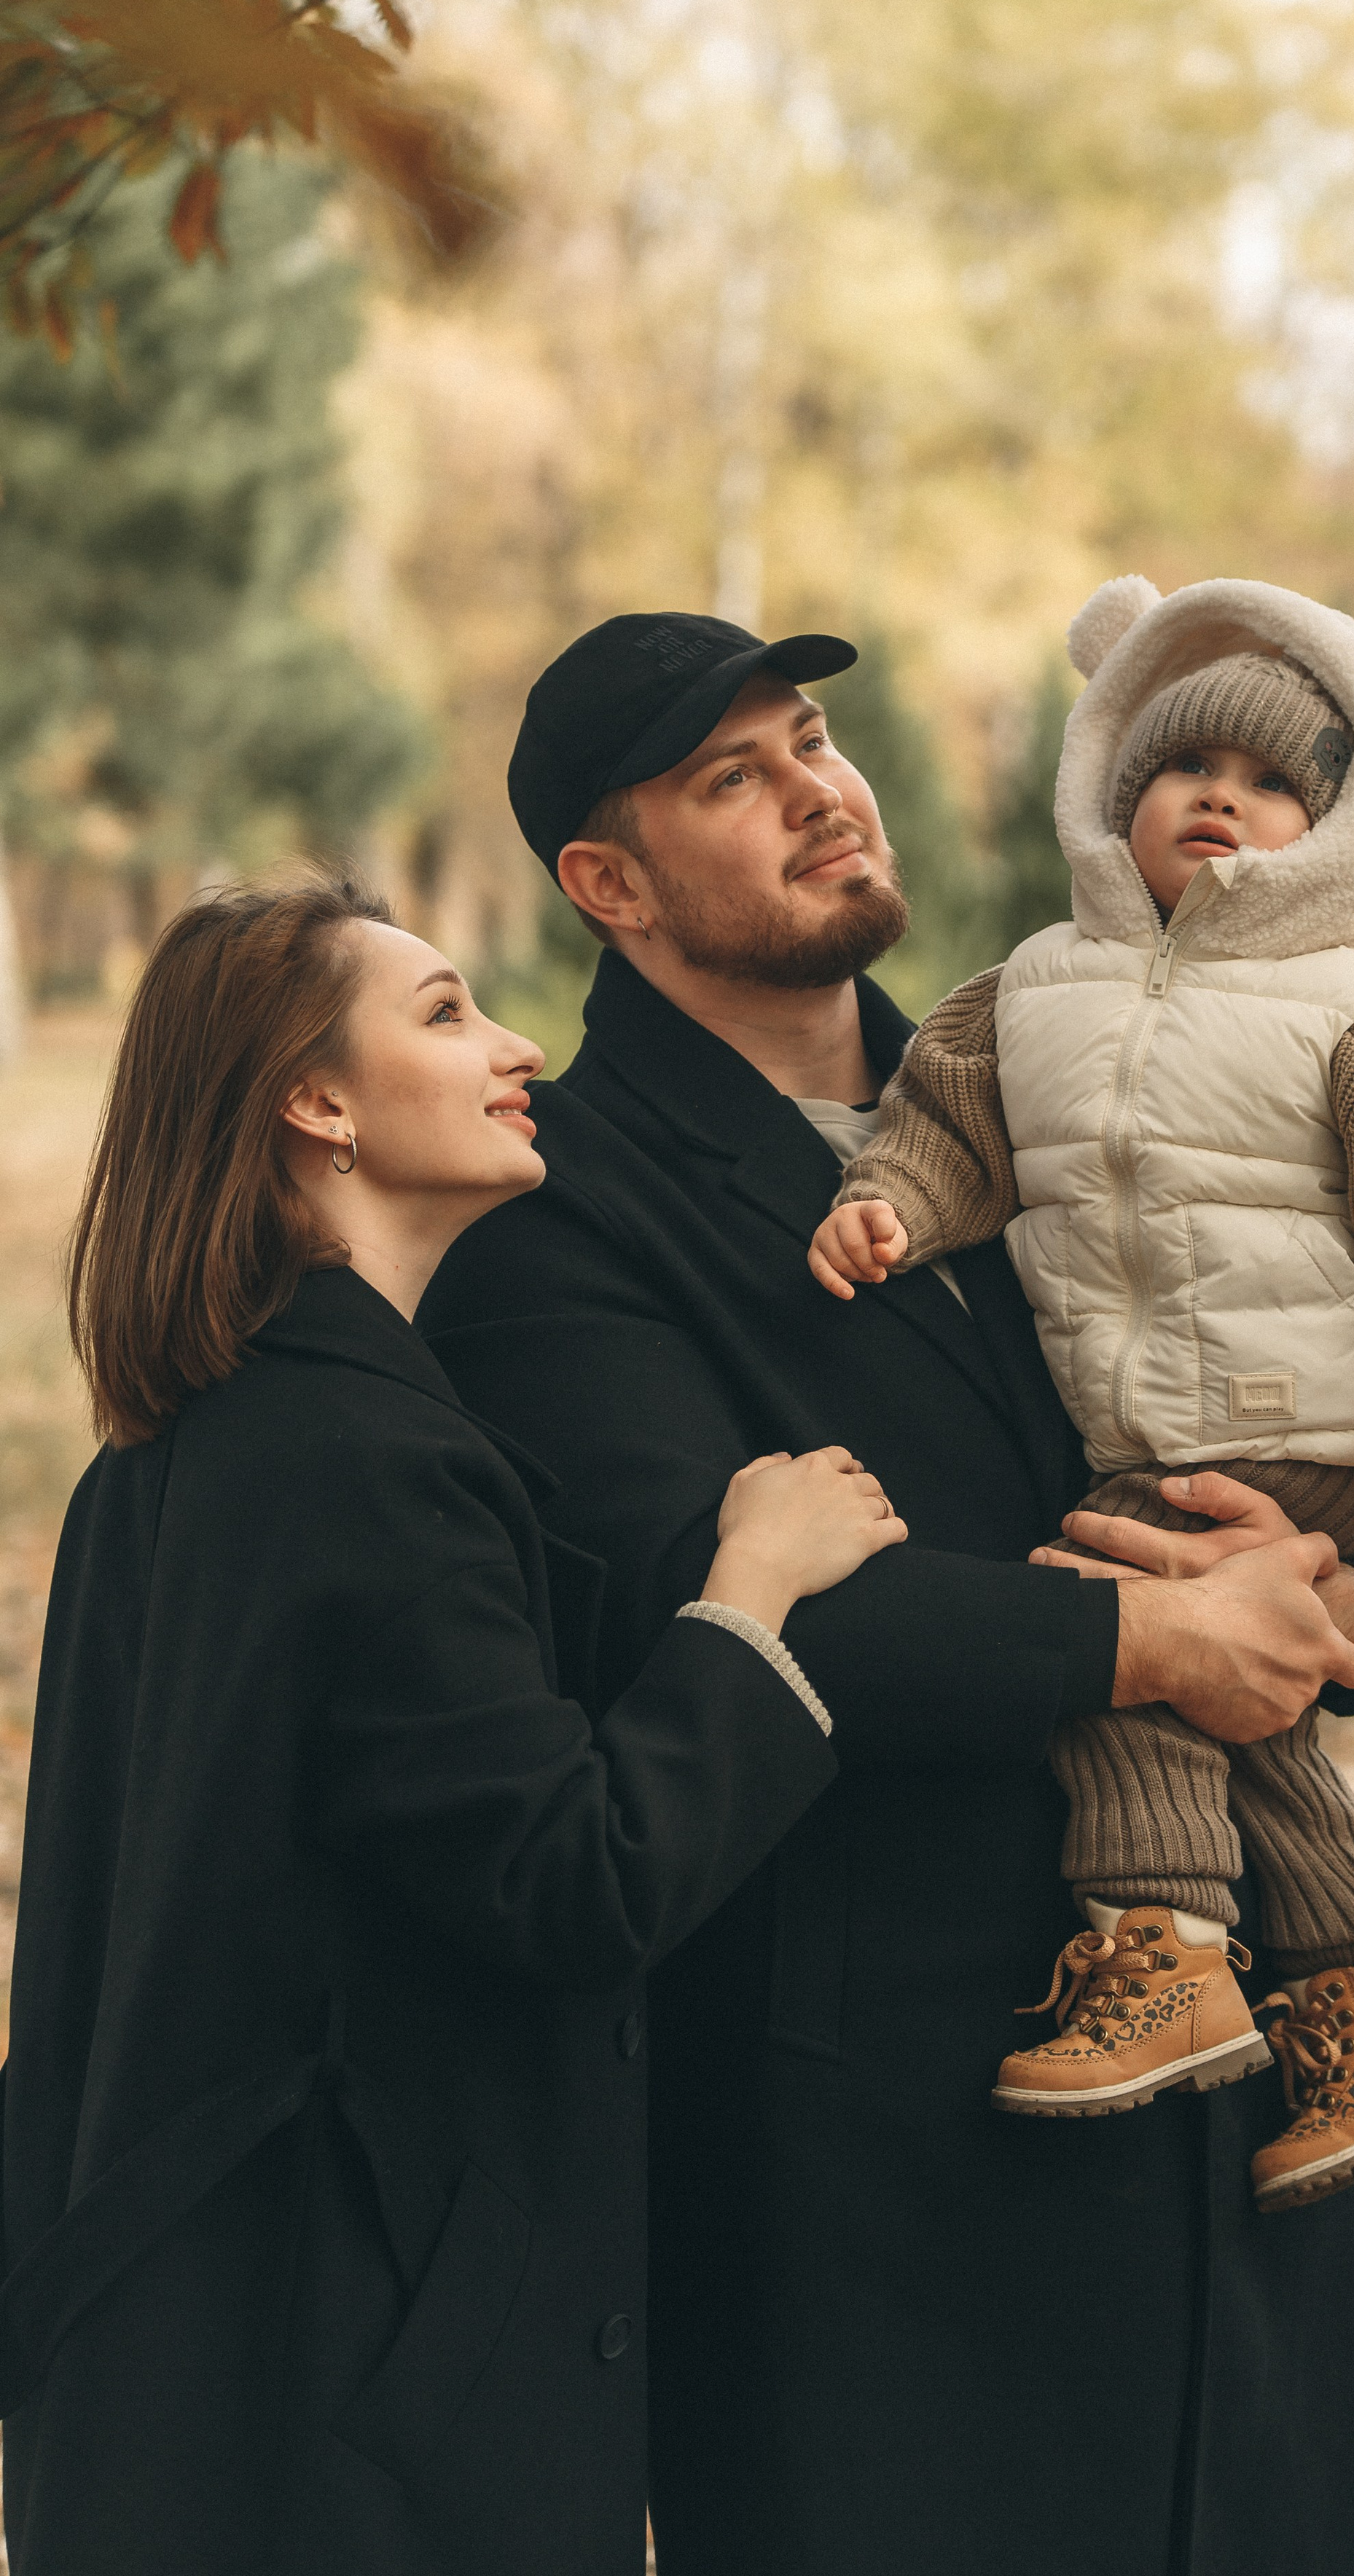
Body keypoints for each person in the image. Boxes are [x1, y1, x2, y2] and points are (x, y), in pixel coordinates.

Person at [418, 606, 1354, 2576]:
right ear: (607, 884)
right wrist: (1158, 1635)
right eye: (733, 776)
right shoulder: (551, 1211)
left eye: (812, 739)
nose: (818, 789)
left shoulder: (1067, 1079)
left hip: (1235, 2094)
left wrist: (1332, 1597)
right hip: (886, 2162)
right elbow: (714, 1609)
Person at [0, 870, 903, 2576]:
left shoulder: (184, 1441)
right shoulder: (369, 1460)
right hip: (366, 2405)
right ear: (316, 1104)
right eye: (444, 1012)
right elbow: (575, 1879)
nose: (517, 1048)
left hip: (209, 2367)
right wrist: (750, 1591)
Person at [807, 569, 1354, 2207]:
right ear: (1113, 793)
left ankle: (1167, 1942)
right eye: (1184, 766)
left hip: (1305, 1421)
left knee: (1109, 1633)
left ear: (1335, 826)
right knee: (1246, 1711)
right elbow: (950, 1125)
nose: (1220, 797)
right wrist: (892, 1204)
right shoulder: (1031, 986)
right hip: (1162, 1422)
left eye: (1270, 781)